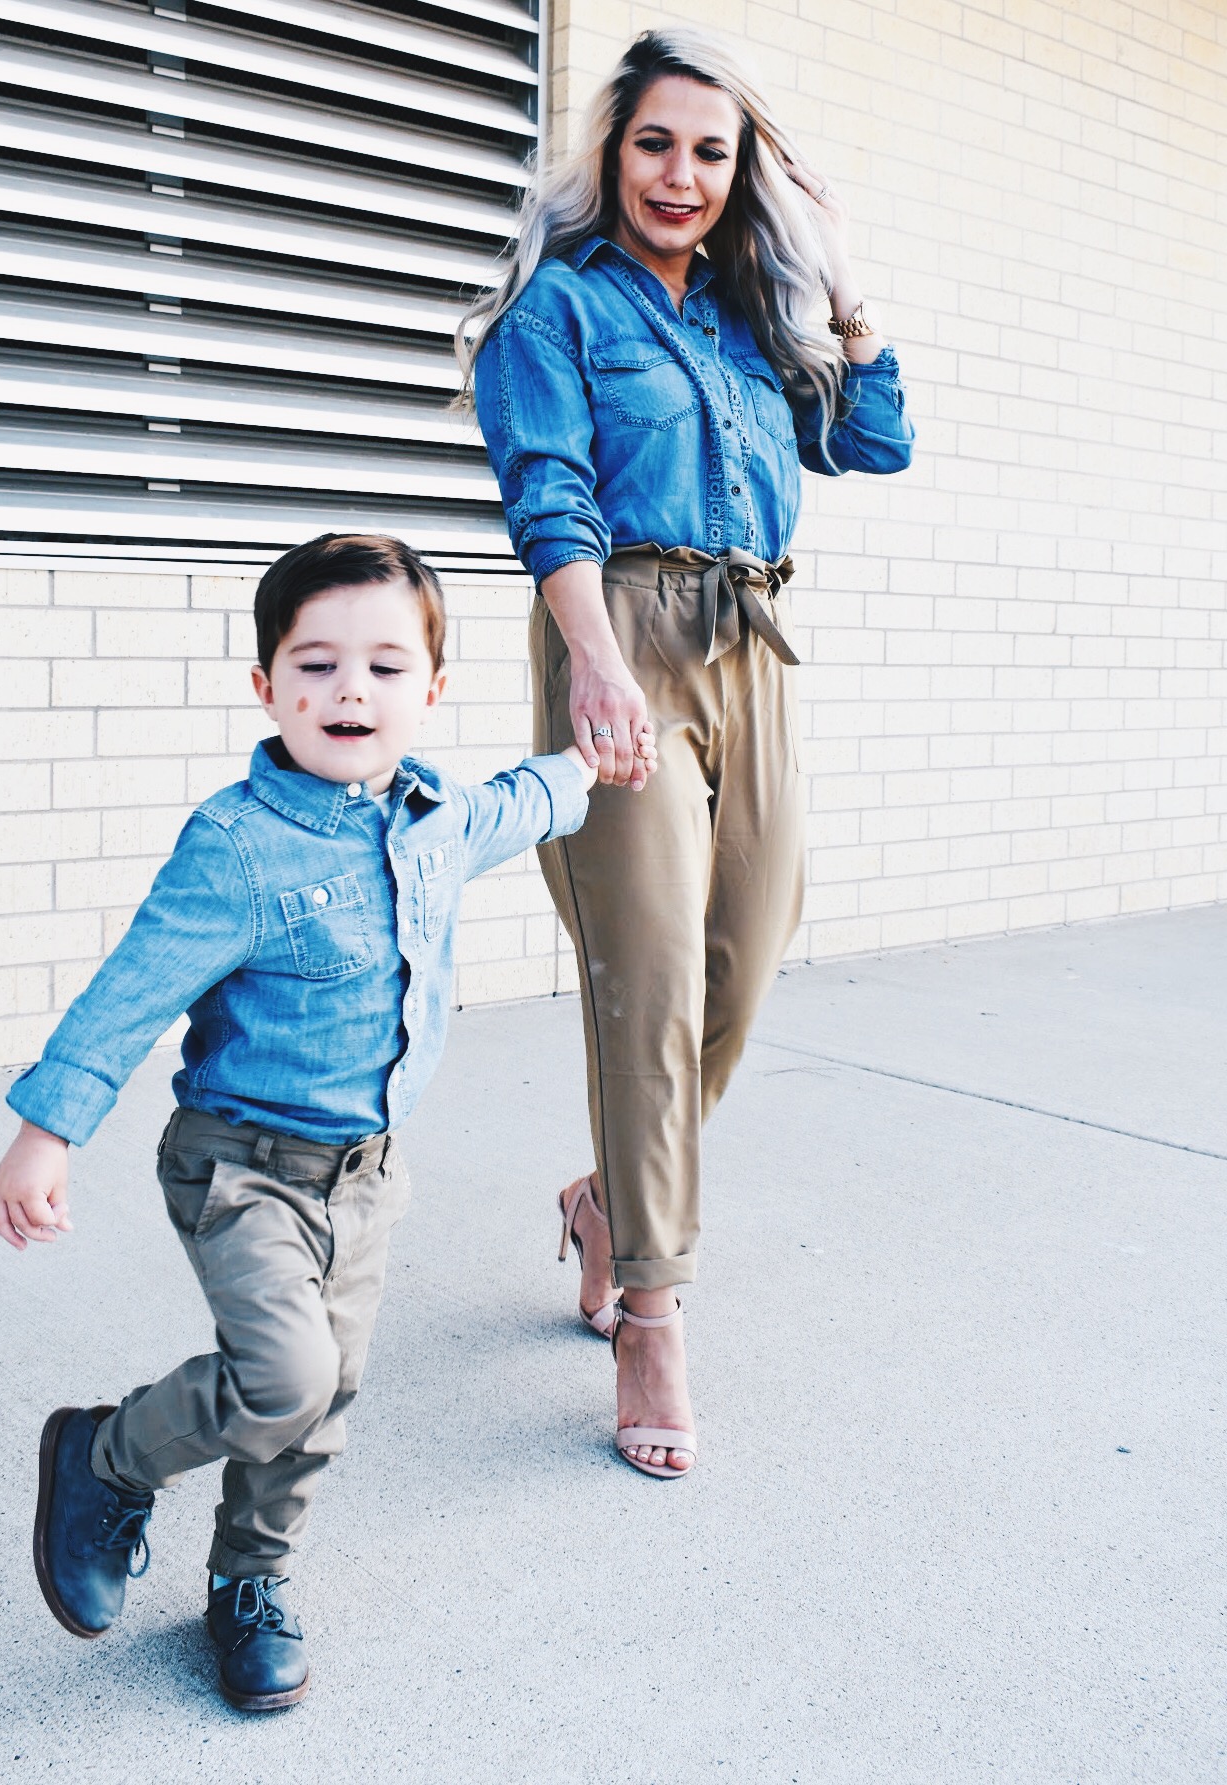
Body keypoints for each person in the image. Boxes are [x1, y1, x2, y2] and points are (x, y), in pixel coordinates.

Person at [0, 533, 623, 1711]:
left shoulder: (438, 818)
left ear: (430, 690)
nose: (349, 692)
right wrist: (48, 1132)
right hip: (239, 1167)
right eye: (315, 664)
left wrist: (597, 761)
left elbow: (526, 802)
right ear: (265, 686)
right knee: (283, 1378)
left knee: (321, 1400)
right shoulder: (235, 846)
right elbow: (132, 989)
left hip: (366, 1182)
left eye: (385, 667)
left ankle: (248, 1582)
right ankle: (105, 1457)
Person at [464, 28, 914, 1480]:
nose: (681, 174)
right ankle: (652, 1313)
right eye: (657, 143)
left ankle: (610, 1202)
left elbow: (877, 442)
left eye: (712, 151)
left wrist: (840, 280)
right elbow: (549, 501)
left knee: (745, 957)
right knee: (646, 979)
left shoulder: (749, 327)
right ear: (614, 153)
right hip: (624, 628)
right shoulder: (560, 315)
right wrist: (596, 668)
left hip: (755, 641)